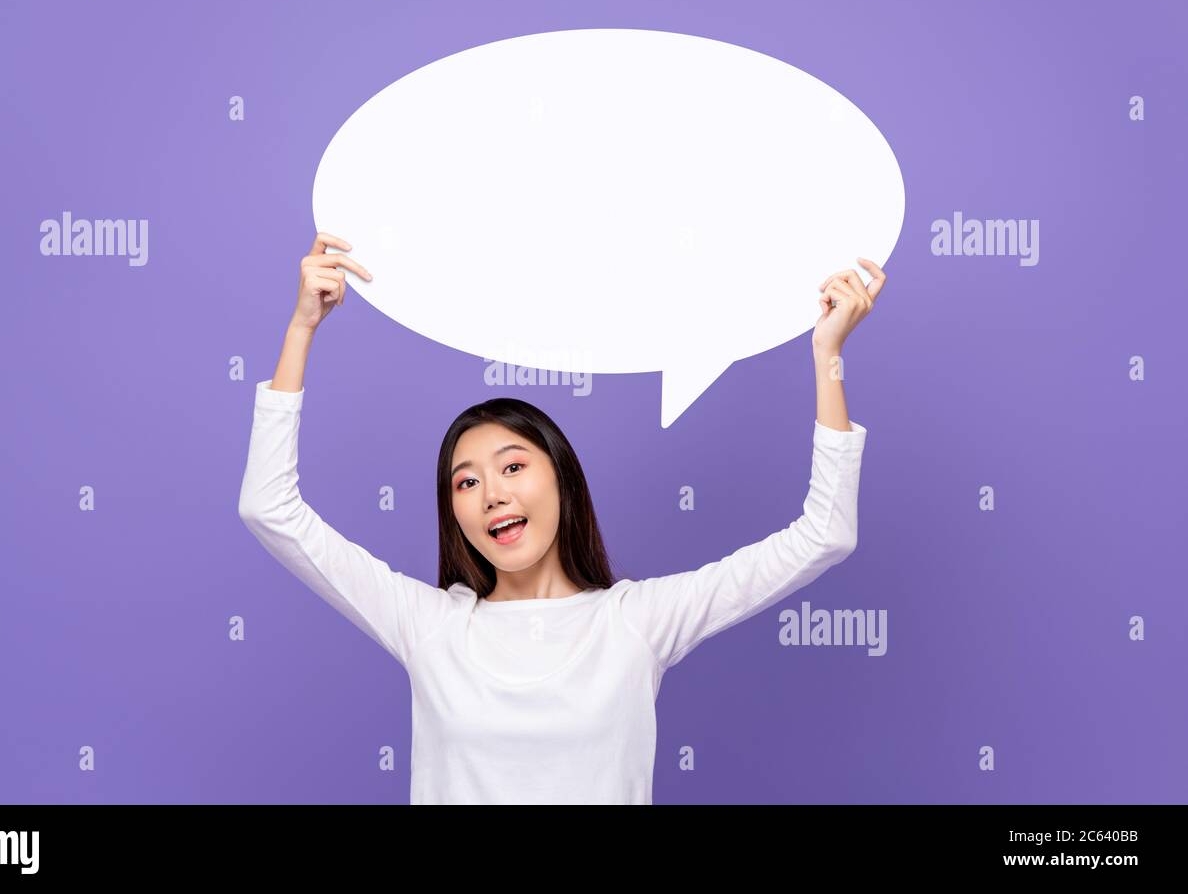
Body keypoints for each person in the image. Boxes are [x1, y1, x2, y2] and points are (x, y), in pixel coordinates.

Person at [238, 230, 884, 804]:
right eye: (466, 480)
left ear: (562, 481)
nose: (491, 492)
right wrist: (301, 330)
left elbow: (824, 533)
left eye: (513, 466)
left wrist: (828, 353)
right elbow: (270, 507)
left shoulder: (635, 621)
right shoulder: (428, 625)